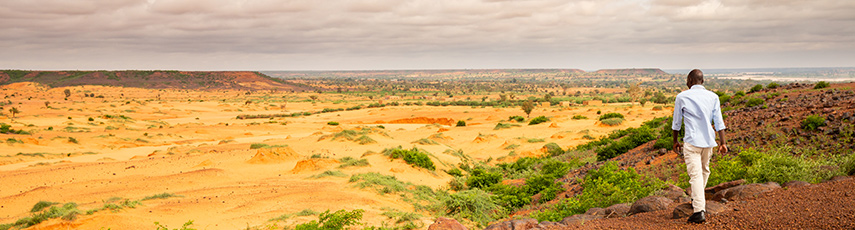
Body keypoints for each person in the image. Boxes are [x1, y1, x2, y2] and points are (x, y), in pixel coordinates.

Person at [671, 69, 728, 224]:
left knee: (696, 175)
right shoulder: (713, 97)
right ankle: (697, 199)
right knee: (704, 171)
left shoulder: (682, 96)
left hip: (691, 142)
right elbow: (719, 122)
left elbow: (676, 122)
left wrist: (675, 141)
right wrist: (723, 143)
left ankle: (699, 211)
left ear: (690, 80)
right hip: (709, 142)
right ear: (702, 81)